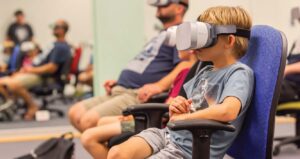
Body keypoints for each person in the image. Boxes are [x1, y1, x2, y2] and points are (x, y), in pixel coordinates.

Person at [107, 6, 254, 159]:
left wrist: (185, 118)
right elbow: (189, 106)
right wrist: (179, 105)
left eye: (206, 37)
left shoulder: (239, 73)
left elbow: (227, 111)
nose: (196, 45)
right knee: (116, 153)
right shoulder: (205, 71)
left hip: (191, 148)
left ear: (229, 41)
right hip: (169, 135)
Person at [68, 0, 190, 132]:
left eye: (164, 5)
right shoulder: (161, 35)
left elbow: (187, 63)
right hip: (120, 89)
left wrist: (159, 86)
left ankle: (119, 148)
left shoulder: (181, 32)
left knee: (88, 121)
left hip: (135, 93)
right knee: (74, 113)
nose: (159, 7)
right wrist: (119, 82)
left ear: (179, 9)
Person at [80, 49, 197, 159]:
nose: (177, 48)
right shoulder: (183, 68)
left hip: (151, 123)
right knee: (102, 121)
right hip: (151, 119)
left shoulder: (187, 71)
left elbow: (171, 106)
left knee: (89, 138)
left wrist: (130, 118)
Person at [0, 20, 71, 120]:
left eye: (56, 27)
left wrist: (30, 70)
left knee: (11, 84)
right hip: (35, 72)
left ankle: (32, 106)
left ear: (62, 30)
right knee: (3, 81)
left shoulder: (61, 47)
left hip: (44, 77)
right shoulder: (53, 44)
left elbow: (51, 68)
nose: (53, 29)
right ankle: (11, 104)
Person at [278, 38, 300, 104]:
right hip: (286, 82)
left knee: (266, 90)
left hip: (295, 88)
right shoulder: (297, 41)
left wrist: (286, 69)